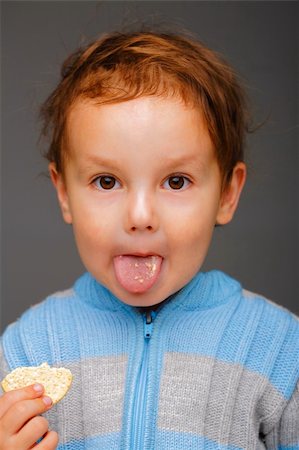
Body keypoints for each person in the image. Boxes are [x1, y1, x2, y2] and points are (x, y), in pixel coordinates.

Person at [0, 29, 298, 450]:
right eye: (107, 181)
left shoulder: (280, 351)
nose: (140, 216)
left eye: (176, 181)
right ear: (64, 192)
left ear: (227, 194)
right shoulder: (27, 349)